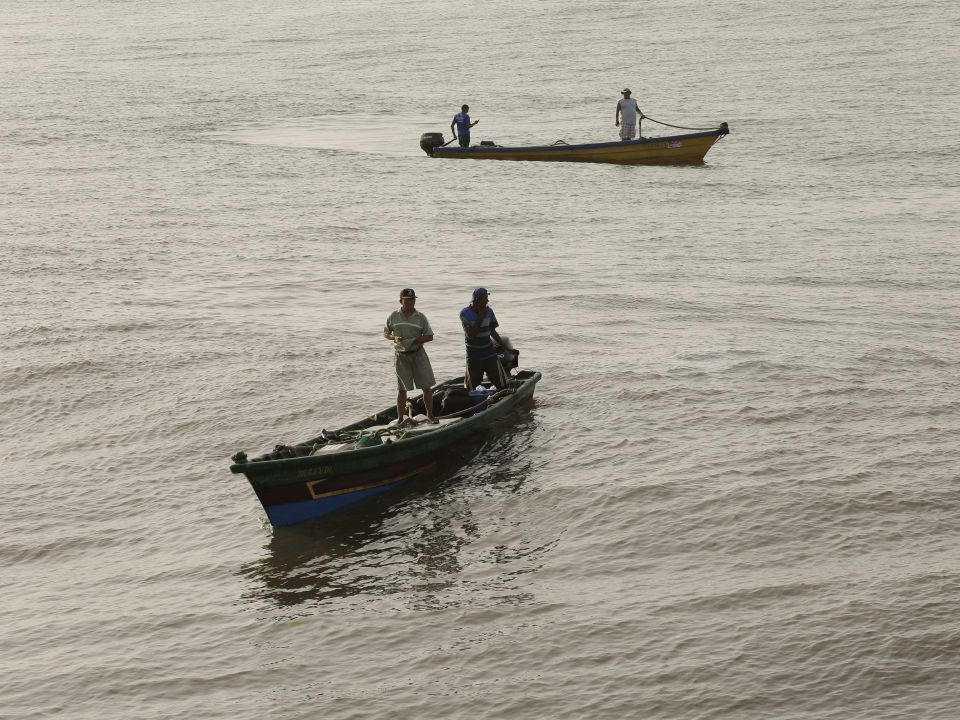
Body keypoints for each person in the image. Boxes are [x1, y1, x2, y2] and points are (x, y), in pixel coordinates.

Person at [384, 288, 436, 422]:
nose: (410, 302)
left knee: (426, 387)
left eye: (412, 299)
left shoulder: (420, 317)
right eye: (407, 300)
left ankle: (430, 415)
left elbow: (429, 336)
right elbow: (386, 333)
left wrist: (415, 340)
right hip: (401, 356)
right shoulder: (393, 316)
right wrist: (393, 338)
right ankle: (401, 419)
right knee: (402, 390)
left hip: (418, 354)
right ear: (401, 301)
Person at [460, 287, 513, 390]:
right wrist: (480, 317)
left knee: (503, 385)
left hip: (490, 354)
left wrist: (506, 348)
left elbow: (493, 332)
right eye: (485, 298)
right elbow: (471, 335)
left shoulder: (489, 311)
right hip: (474, 356)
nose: (488, 301)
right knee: (472, 389)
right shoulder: (464, 314)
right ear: (477, 300)